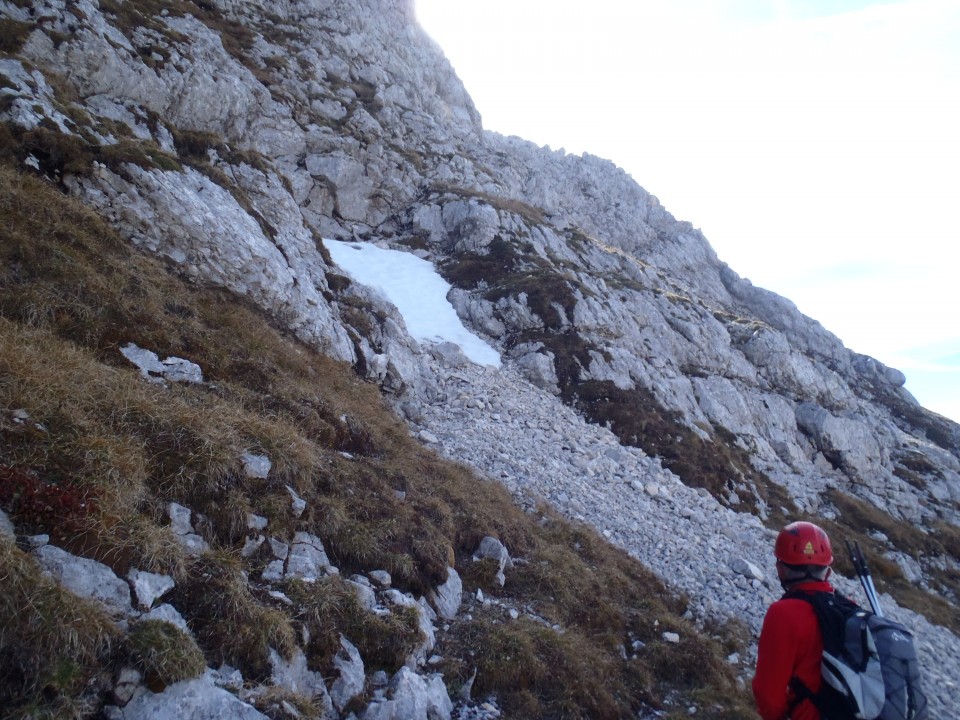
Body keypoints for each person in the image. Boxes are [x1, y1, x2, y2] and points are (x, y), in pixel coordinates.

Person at [752, 521, 834, 720]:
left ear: (780, 569)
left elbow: (769, 695)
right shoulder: (849, 608)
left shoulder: (783, 614)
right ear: (828, 572)